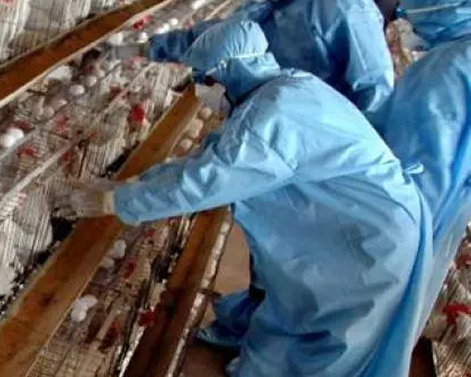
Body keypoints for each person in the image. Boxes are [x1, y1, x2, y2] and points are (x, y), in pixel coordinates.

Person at [71, 19, 430, 376]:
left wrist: (118, 201)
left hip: (368, 241)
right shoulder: (284, 87)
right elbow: (209, 158)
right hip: (357, 218)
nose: (202, 89)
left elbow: (206, 180)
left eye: (205, 79)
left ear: (228, 71)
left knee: (332, 339)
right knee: (297, 312)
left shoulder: (272, 116)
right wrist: (135, 184)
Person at [145, 0, 394, 117]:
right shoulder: (268, 3)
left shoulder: (343, 3)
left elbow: (374, 87)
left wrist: (349, 137)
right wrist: (152, 47)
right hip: (286, 113)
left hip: (328, 123)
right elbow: (218, 36)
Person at [372, 0, 471, 336]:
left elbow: (423, 164)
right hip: (450, 203)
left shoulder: (443, 72)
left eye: (411, 15)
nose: (407, 24)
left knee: (378, 309)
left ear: (437, 11)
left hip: (418, 209)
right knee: (407, 303)